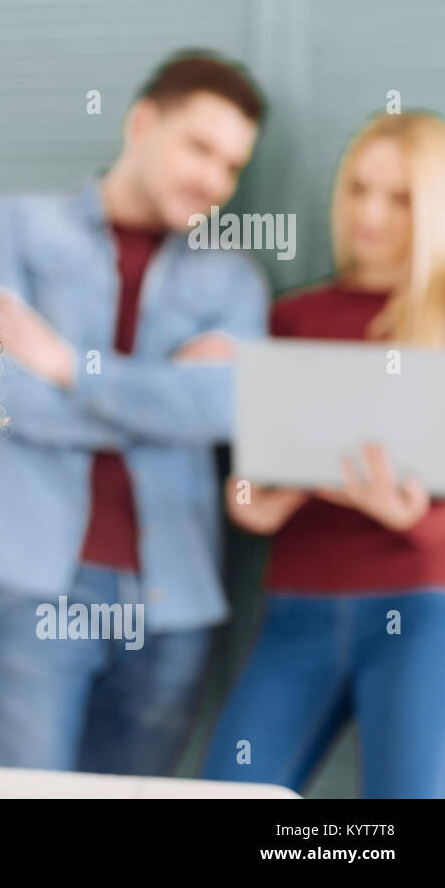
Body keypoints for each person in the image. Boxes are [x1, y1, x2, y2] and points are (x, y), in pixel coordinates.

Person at [0, 51, 270, 775]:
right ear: (140, 122)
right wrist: (161, 397)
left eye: (231, 167)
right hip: (25, 585)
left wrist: (66, 364)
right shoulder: (12, 228)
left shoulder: (233, 279)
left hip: (171, 605)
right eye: (199, 147)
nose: (212, 181)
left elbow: (220, 408)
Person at [202, 111, 445, 797]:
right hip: (296, 607)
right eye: (359, 188)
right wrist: (258, 506)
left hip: (424, 611)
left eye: (399, 197)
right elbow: (244, 494)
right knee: (227, 790)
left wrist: (411, 517)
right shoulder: (292, 319)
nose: (370, 212)